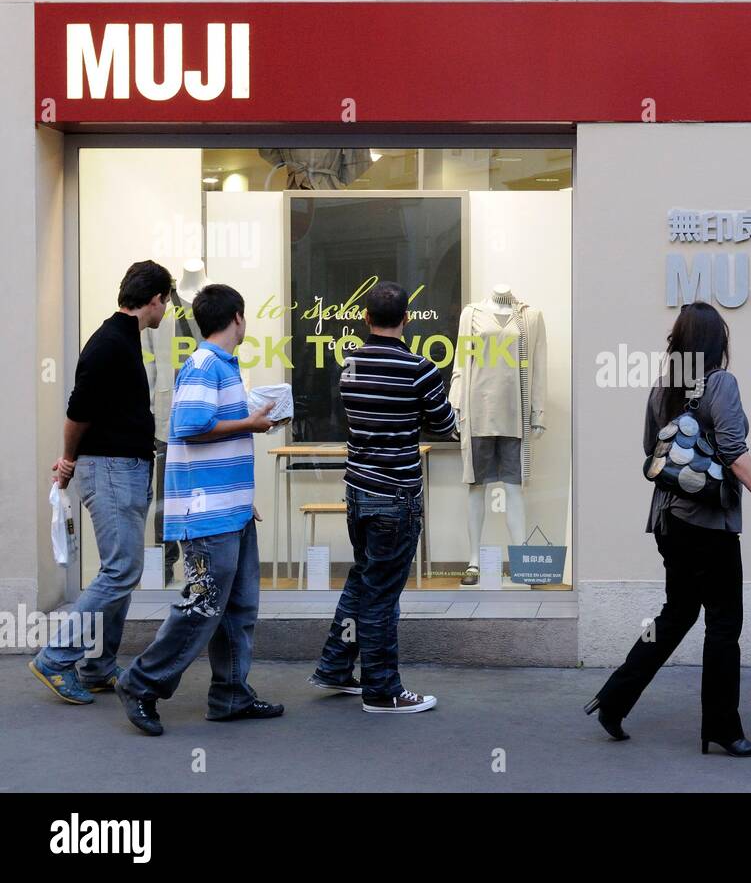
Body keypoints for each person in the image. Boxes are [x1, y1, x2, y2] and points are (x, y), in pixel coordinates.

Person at [585, 301, 751, 756]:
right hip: (708, 524)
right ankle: (721, 727)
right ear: (719, 343)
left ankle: (614, 700)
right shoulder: (720, 383)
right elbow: (734, 450)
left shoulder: (662, 389)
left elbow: (649, 449)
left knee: (676, 614)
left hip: (667, 522)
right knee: (723, 623)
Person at [115, 284, 279, 736]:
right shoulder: (206, 364)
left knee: (238, 608)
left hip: (230, 511)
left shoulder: (220, 364)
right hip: (208, 518)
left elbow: (207, 438)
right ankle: (141, 683)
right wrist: (252, 422)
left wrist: (244, 501)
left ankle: (230, 695)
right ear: (239, 319)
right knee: (202, 605)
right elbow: (189, 427)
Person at [308, 281, 457, 713]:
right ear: (406, 320)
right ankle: (383, 689)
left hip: (358, 491)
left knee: (364, 579)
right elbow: (444, 423)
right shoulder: (421, 369)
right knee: (382, 594)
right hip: (396, 496)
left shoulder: (349, 365)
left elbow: (351, 415)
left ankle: (336, 666)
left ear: (367, 319)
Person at [30, 260, 173, 704]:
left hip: (123, 467)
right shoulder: (110, 342)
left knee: (121, 570)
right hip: (110, 469)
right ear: (154, 301)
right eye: (165, 302)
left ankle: (98, 666)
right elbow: (78, 410)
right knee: (121, 569)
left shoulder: (125, 340)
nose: (166, 310)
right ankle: (55, 658)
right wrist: (68, 459)